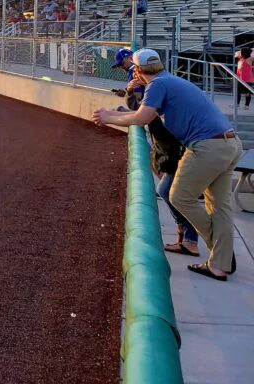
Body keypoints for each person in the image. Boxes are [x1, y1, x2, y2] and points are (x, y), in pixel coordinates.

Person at [94, 49, 242, 280]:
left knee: (179, 196)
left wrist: (107, 118)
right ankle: (220, 265)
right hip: (230, 143)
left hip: (207, 147)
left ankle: (221, 252)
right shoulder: (168, 80)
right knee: (219, 206)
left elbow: (142, 117)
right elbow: (143, 113)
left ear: (138, 70)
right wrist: (112, 114)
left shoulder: (157, 84)